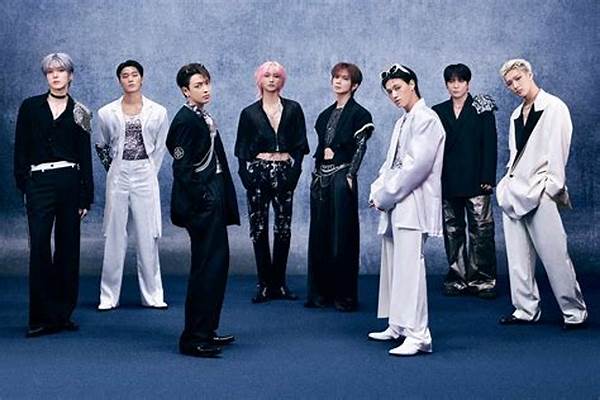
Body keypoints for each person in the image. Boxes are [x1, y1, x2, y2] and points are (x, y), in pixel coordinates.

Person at [496, 58, 587, 329]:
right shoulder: (515, 114)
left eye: (518, 79)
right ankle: (525, 310)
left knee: (555, 255)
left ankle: (574, 313)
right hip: (514, 192)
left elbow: (559, 151)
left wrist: (551, 188)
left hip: (540, 191)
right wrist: (505, 186)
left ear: (530, 74)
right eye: (509, 83)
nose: (515, 85)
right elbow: (514, 155)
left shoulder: (555, 107)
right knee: (518, 258)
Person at [14, 52, 93, 337]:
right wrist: (25, 184)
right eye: (50, 71)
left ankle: (62, 315)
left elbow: (85, 155)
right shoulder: (30, 107)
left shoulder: (81, 111)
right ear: (46, 76)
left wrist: (86, 196)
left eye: (61, 71)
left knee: (68, 248)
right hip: (39, 182)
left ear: (70, 75)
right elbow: (20, 148)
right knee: (39, 247)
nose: (55, 76)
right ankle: (40, 317)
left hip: (70, 182)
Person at [368, 64, 445, 356]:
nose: (394, 95)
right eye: (389, 91)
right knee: (394, 265)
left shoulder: (426, 119)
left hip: (413, 204)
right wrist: (377, 190)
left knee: (410, 267)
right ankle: (398, 325)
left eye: (398, 88)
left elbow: (416, 168)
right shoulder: (403, 121)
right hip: (397, 202)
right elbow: (390, 164)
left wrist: (384, 195)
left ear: (412, 83)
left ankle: (418, 334)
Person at [167, 63, 240, 357]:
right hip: (202, 205)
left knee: (216, 267)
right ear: (185, 91)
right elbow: (182, 169)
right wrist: (205, 198)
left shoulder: (202, 115)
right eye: (198, 85)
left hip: (214, 199)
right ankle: (193, 338)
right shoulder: (186, 120)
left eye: (207, 83)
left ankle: (207, 330)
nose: (206, 89)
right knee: (205, 269)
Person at [95, 60, 169, 311]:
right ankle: (108, 297)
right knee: (114, 235)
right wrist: (114, 170)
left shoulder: (158, 111)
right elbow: (102, 145)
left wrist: (148, 172)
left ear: (141, 78)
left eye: (134, 74)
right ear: (119, 81)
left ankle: (153, 295)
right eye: (125, 75)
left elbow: (160, 148)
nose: (130, 79)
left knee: (148, 236)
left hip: (145, 172)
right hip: (118, 172)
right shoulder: (106, 112)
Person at [235, 61, 309, 303]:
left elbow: (300, 144)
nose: (271, 80)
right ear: (260, 79)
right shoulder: (249, 113)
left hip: (285, 170)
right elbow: (241, 147)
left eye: (276, 76)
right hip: (258, 171)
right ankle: (264, 284)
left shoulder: (293, 109)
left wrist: (296, 170)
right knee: (258, 227)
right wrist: (244, 174)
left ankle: (280, 283)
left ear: (282, 80)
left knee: (283, 227)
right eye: (267, 75)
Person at [305, 62, 374, 312]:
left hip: (342, 175)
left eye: (344, 78)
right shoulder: (325, 114)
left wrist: (350, 175)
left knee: (342, 235)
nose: (338, 81)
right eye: (336, 77)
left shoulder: (360, 114)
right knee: (319, 234)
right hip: (321, 176)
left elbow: (360, 147)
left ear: (354, 85)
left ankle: (344, 297)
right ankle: (319, 294)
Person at [432, 63, 498, 298]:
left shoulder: (482, 107)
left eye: (460, 80)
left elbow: (490, 143)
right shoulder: (437, 111)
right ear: (446, 84)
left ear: (468, 83)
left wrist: (488, 177)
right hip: (448, 178)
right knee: (452, 230)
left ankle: (483, 280)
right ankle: (457, 278)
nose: (456, 85)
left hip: (477, 178)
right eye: (451, 81)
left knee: (481, 230)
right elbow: (433, 148)